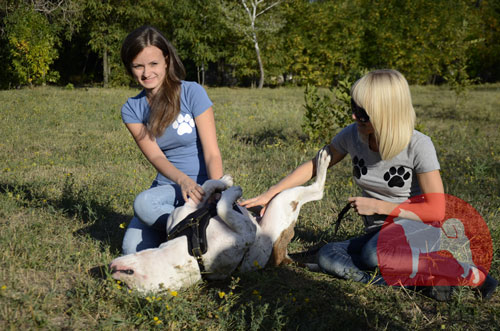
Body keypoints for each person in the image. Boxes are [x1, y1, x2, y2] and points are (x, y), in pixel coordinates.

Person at [241, 69, 497, 301]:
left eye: (363, 112)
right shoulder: (353, 134)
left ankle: (465, 272)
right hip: (378, 234)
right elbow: (315, 164)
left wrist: (378, 206)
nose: (354, 116)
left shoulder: (419, 145)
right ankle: (419, 282)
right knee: (328, 257)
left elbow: (436, 211)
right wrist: (270, 194)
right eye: (354, 107)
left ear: (388, 112)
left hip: (418, 231)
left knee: (373, 256)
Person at [119, 26, 223, 255]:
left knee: (144, 209)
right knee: (131, 247)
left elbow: (212, 152)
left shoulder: (192, 92)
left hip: (204, 188)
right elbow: (155, 155)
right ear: (130, 67)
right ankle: (195, 233)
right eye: (138, 66)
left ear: (166, 60)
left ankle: (194, 228)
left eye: (153, 64)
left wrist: (216, 192)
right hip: (168, 189)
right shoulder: (131, 109)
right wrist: (183, 181)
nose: (146, 73)